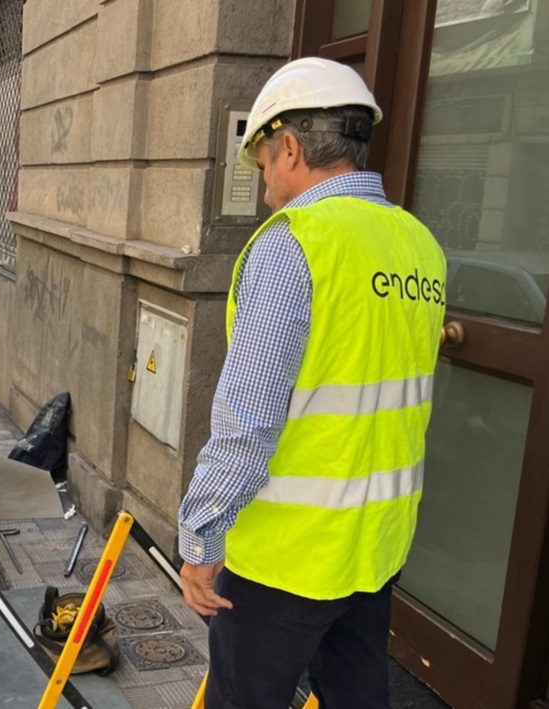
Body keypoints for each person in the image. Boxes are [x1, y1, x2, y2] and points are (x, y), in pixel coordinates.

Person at [177, 57, 447, 709]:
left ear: (291, 147)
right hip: (373, 546)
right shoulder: (418, 244)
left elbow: (248, 421)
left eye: (265, 161)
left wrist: (202, 537)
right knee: (356, 695)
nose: (267, 185)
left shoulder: (292, 244)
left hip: (285, 559)